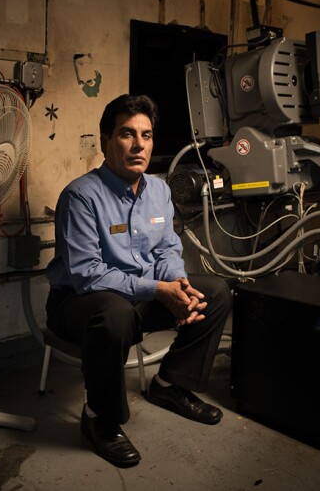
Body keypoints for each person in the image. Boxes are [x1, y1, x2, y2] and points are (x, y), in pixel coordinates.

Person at [45, 93, 232, 468]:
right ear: (105, 141)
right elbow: (87, 275)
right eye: (127, 134)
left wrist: (178, 284)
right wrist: (158, 290)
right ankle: (100, 417)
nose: (138, 145)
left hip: (138, 297)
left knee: (215, 293)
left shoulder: (160, 191)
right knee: (115, 314)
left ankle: (169, 385)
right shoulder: (81, 197)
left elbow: (166, 249)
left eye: (146, 136)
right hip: (79, 303)